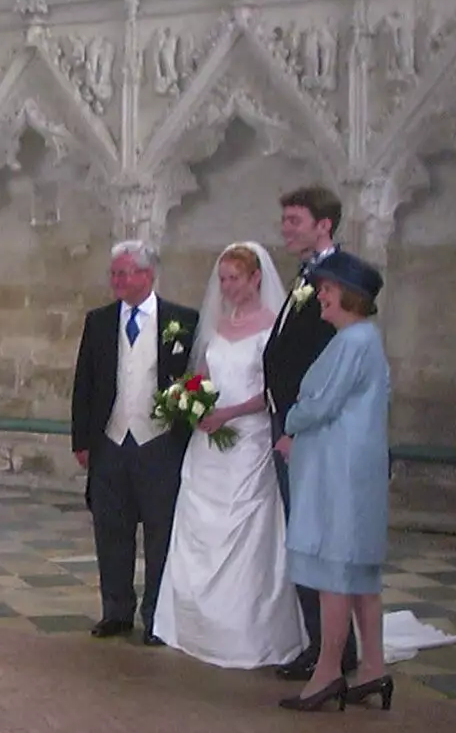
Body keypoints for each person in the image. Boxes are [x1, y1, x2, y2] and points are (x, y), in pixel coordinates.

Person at [151, 243, 306, 668]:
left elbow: (274, 391)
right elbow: (203, 373)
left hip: (250, 440)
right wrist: (191, 401)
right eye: (221, 279)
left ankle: (247, 631)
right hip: (210, 441)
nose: (226, 286)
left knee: (249, 528)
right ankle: (191, 624)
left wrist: (230, 413)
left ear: (256, 278)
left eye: (234, 278)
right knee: (198, 523)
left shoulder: (273, 326)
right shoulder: (217, 323)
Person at [278, 250, 394, 713]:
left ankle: (328, 672)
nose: (320, 295)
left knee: (334, 572)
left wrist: (289, 419)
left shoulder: (352, 341)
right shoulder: (365, 338)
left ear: (349, 295)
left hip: (337, 473)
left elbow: (320, 404)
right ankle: (374, 667)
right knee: (360, 573)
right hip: (352, 469)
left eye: (326, 289)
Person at [71, 240, 198, 645]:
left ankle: (156, 616)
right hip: (110, 439)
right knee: (111, 528)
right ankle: (116, 610)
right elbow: (85, 382)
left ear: (148, 275)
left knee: (160, 533)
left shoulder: (182, 320)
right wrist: (82, 439)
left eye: (125, 273)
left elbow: (196, 380)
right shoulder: (99, 321)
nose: (117, 280)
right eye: (114, 273)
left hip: (159, 441)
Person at [263, 185, 358, 681]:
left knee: (315, 539)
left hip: (309, 430)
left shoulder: (336, 278)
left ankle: (332, 652)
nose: (286, 229)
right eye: (285, 220)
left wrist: (299, 429)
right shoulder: (307, 277)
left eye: (294, 220)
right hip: (289, 421)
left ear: (323, 225)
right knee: (305, 538)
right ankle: (326, 645)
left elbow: (331, 363)